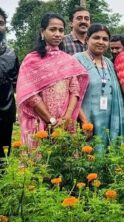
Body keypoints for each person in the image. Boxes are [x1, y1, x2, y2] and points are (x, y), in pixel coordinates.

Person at [17, 13, 89, 146]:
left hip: (65, 123)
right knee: (42, 164)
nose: (57, 34)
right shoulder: (32, 60)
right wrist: (52, 121)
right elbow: (30, 95)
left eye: (61, 30)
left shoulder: (68, 60)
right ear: (42, 32)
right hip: (41, 122)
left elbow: (75, 90)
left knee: (64, 162)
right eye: (52, 29)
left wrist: (67, 117)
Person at [75, 24, 124, 148]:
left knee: (110, 157)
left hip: (110, 120)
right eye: (96, 38)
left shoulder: (109, 63)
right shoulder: (77, 60)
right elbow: (72, 94)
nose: (101, 42)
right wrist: (84, 121)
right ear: (87, 39)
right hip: (87, 119)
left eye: (105, 39)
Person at [0, 8, 19, 161]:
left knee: (3, 159)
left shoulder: (11, 54)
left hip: (5, 114)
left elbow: (17, 83)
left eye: (0, 23)